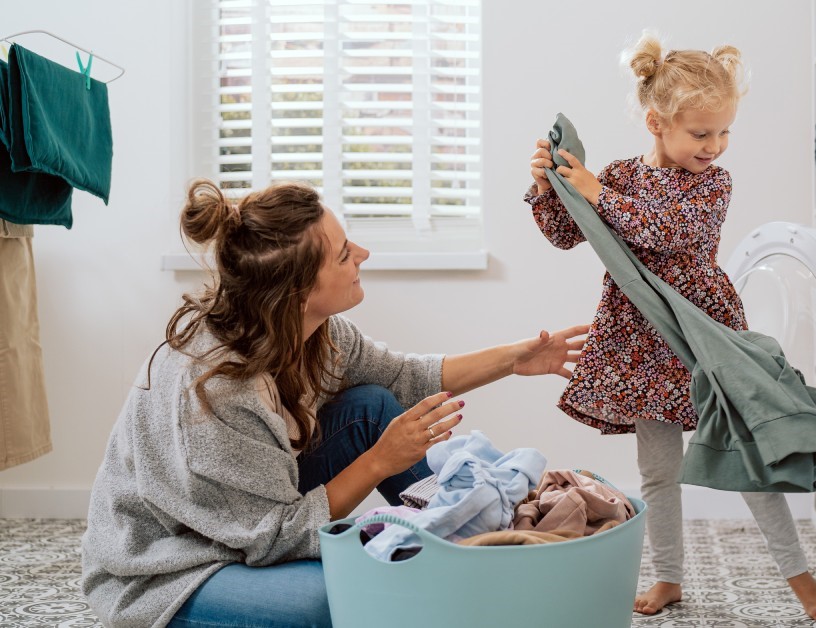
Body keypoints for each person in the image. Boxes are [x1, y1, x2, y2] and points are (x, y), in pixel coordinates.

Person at [80, 180, 587, 628]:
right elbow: (275, 536)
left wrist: (517, 358)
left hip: (254, 511)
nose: (363, 254)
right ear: (298, 292)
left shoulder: (310, 328)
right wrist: (378, 462)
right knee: (333, 601)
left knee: (372, 405)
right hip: (176, 561)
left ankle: (475, 552)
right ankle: (451, 562)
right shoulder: (218, 393)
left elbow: (405, 376)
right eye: (344, 254)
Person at [522, 32, 816, 621]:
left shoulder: (711, 185)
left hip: (701, 336)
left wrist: (597, 192)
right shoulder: (617, 174)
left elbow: (669, 233)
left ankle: (799, 577)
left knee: (750, 457)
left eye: (724, 132)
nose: (715, 146)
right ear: (656, 122)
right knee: (658, 472)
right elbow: (569, 233)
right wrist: (549, 188)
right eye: (701, 133)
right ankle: (669, 576)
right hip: (641, 340)